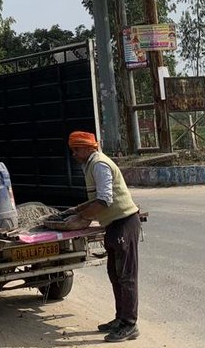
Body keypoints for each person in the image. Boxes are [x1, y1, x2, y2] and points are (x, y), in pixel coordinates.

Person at [63, 131, 141, 342]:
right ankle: (120, 319)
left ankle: (129, 324)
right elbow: (97, 198)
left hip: (123, 222)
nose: (74, 154)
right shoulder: (90, 164)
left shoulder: (99, 164)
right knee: (115, 274)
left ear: (88, 148)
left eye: (77, 149)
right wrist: (77, 209)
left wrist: (82, 217)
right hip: (113, 224)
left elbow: (104, 200)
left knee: (126, 276)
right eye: (72, 150)